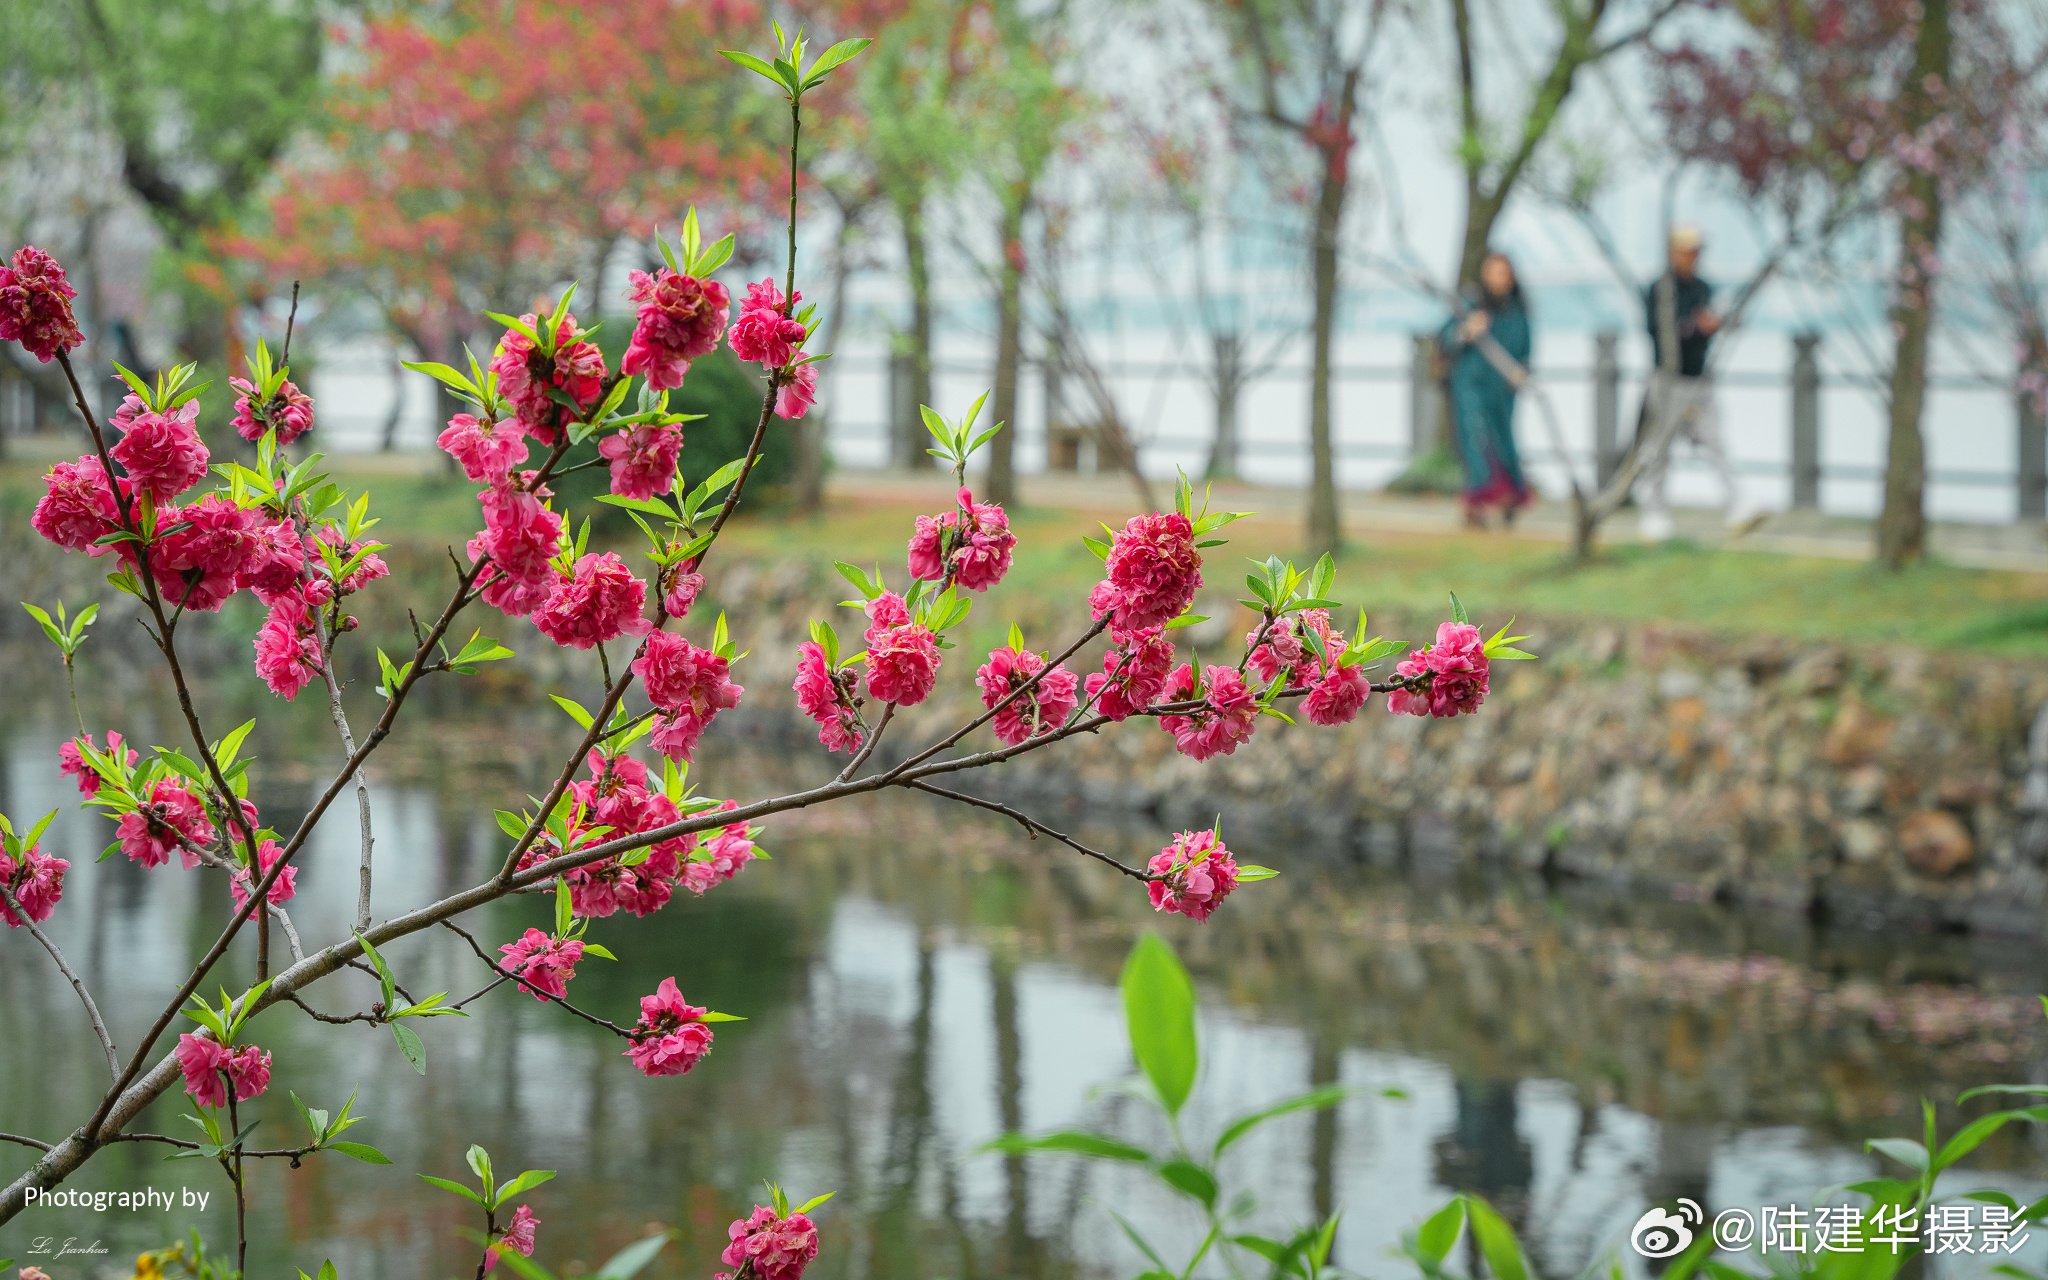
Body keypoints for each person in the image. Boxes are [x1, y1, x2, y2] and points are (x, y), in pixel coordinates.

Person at [1636, 227, 1756, 540]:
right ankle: (1655, 512)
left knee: (1716, 442)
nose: (1692, 257)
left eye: (1696, 250)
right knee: (1660, 448)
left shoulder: (1703, 288)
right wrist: (1694, 328)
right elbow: (1659, 334)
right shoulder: (1658, 290)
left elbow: (1706, 327)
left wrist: (1713, 327)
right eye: (1686, 250)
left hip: (1699, 379)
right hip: (1668, 380)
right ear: (1672, 252)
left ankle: (1737, 506)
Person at [1440, 251, 1533, 527]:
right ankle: (1479, 501)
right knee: (1476, 441)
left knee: (1504, 440)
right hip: (1471, 384)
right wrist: (1467, 331)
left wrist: (1521, 372)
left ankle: (1508, 498)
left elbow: (1525, 350)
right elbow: (1446, 336)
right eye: (1493, 272)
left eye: (1503, 273)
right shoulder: (1471, 304)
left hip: (1502, 388)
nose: (1498, 279)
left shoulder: (1516, 311)